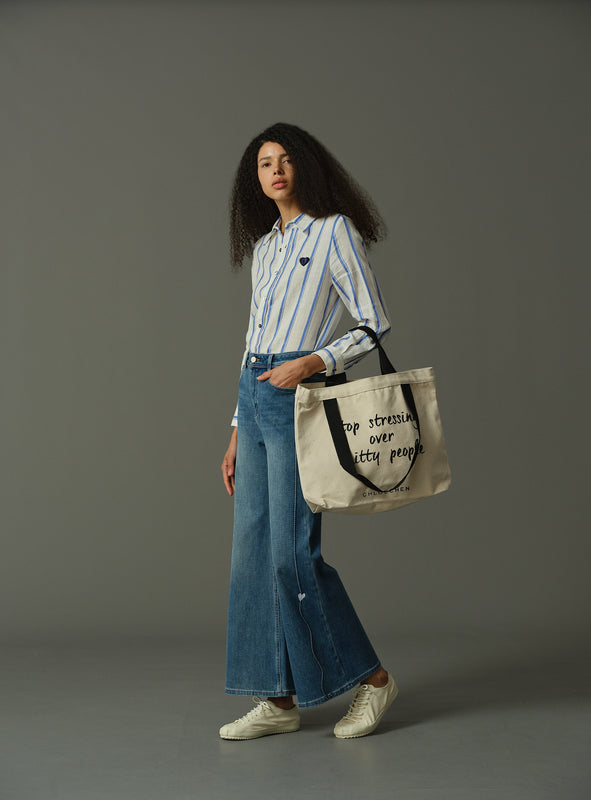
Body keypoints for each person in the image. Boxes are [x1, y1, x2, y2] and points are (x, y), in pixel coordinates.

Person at [219, 122, 397, 740]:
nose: (275, 170)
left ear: (305, 168)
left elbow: (374, 323)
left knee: (294, 554)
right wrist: (237, 427)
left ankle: (373, 682)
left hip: (298, 393)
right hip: (255, 393)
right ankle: (278, 699)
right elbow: (250, 340)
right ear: (257, 179)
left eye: (286, 159)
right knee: (252, 558)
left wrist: (315, 361)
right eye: (265, 162)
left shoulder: (334, 231)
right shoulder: (267, 245)